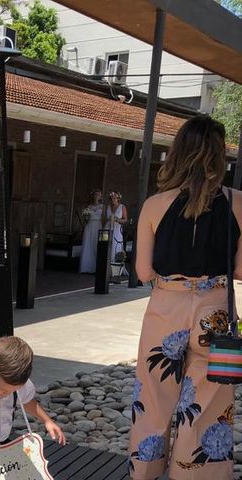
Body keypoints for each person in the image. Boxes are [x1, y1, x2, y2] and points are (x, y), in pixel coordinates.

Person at [128, 115, 241, 480]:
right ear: (219, 156)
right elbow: (240, 271)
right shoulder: (238, 203)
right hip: (216, 312)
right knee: (208, 402)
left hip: (166, 305)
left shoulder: (155, 205)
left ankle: (145, 473)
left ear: (178, 153)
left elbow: (143, 273)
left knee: (153, 400)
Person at [79, 189, 104, 273]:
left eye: (98, 195)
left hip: (98, 226)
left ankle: (96, 268)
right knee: (88, 245)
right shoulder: (89, 207)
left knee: (96, 245)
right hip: (90, 226)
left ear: (100, 196)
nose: (96, 196)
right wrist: (85, 217)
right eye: (95, 194)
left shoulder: (102, 207)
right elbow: (85, 218)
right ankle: (86, 267)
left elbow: (104, 218)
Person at [104, 190, 127, 263]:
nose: (112, 200)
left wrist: (118, 220)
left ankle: (115, 266)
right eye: (111, 198)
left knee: (115, 245)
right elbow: (104, 218)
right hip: (107, 228)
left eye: (114, 198)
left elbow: (125, 219)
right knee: (106, 246)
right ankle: (105, 265)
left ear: (118, 198)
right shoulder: (108, 207)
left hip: (117, 229)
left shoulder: (122, 207)